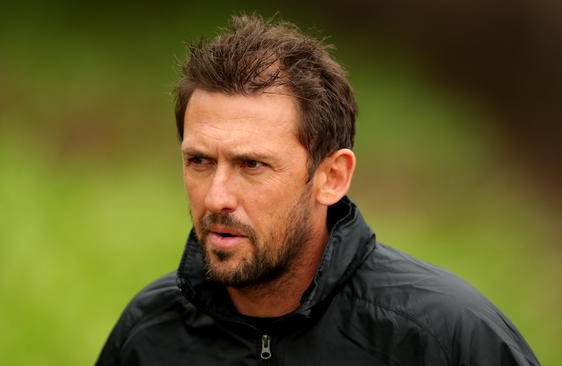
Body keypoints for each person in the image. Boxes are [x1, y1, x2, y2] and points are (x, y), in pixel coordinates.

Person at [96, 14, 539, 365]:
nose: (216, 197)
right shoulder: (148, 335)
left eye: (252, 164)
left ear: (332, 178)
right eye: (199, 161)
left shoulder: (445, 338)